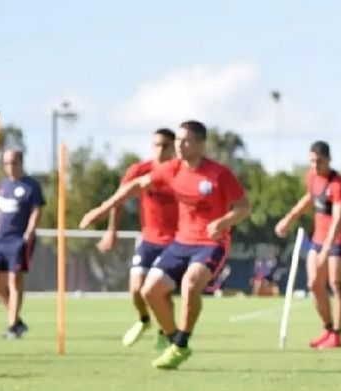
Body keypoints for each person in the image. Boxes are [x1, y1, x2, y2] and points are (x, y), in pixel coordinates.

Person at [80, 120, 250, 369]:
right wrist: (101, 210)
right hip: (181, 243)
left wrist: (224, 222)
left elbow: (244, 206)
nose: (180, 145)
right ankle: (174, 341)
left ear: (201, 144)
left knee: (190, 283)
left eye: (187, 141)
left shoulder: (219, 174)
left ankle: (180, 343)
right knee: (150, 291)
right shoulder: (173, 169)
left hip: (211, 243)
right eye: (179, 140)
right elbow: (137, 185)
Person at [96, 128, 178, 348]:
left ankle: (166, 332)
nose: (160, 150)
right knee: (136, 290)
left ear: (174, 148)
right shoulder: (140, 170)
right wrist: (112, 231)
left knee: (160, 291)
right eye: (156, 145)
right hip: (149, 240)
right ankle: (144, 320)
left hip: (175, 242)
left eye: (165, 145)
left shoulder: (181, 172)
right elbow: (119, 200)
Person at [275, 141, 341, 349]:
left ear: (328, 159)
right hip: (317, 238)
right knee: (313, 284)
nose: (315, 166)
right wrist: (288, 219)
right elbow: (309, 199)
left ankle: (337, 334)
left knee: (337, 284)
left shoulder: (338, 183)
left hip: (338, 240)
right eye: (311, 161)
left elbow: (338, 219)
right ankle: (327, 329)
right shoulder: (311, 177)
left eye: (319, 161)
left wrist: (327, 249)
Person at [0, 149, 44, 339]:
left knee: (14, 282)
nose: (10, 167)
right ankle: (16, 320)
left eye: (13, 163)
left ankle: (12, 327)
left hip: (18, 241)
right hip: (0, 239)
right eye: (7, 163)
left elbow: (36, 210)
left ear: (21, 163)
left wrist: (29, 232)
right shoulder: (3, 185)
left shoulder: (31, 186)